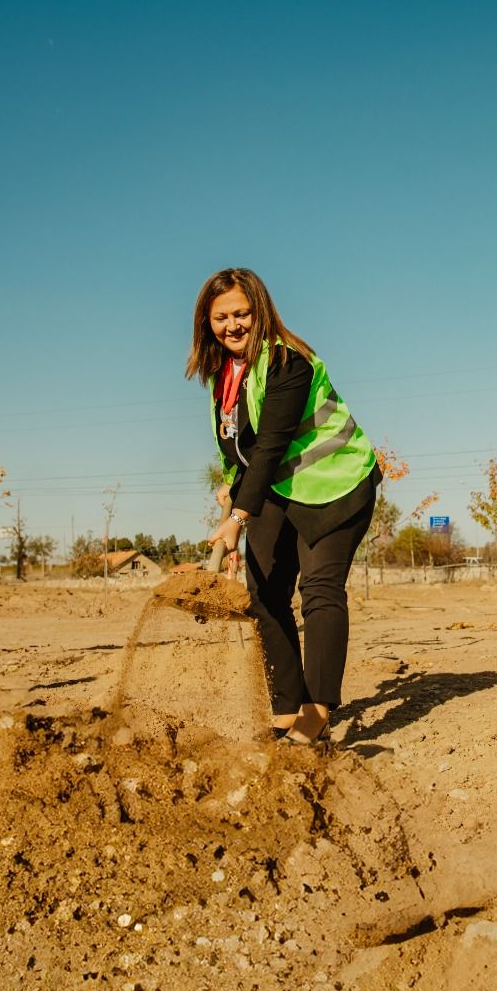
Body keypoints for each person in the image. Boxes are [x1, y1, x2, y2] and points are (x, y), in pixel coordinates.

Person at [186, 268, 380, 745]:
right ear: (206, 322)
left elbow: (271, 445)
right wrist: (232, 493)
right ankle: (285, 707)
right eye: (221, 317)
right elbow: (239, 446)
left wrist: (237, 520)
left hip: (334, 484)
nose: (232, 325)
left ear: (261, 311)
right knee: (264, 593)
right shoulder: (223, 375)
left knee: (319, 590)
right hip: (277, 488)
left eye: (242, 314)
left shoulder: (287, 362)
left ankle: (316, 713)